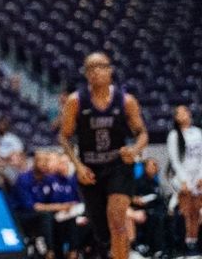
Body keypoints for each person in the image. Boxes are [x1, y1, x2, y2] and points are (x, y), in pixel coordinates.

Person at [58, 51, 149, 259]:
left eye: (101, 66)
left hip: (118, 166)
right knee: (103, 232)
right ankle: (119, 252)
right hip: (90, 170)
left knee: (117, 220)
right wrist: (78, 166)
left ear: (110, 70)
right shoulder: (75, 101)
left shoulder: (126, 101)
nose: (96, 71)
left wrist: (134, 150)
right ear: (86, 74)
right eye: (91, 68)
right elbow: (64, 137)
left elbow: (142, 133)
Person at [13, 150, 78, 259]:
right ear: (35, 162)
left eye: (47, 161)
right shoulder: (24, 179)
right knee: (46, 215)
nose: (44, 163)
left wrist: (63, 207)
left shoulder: (48, 179)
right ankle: (49, 252)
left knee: (68, 217)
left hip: (43, 214)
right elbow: (33, 206)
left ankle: (71, 252)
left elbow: (54, 200)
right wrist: (60, 207)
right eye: (41, 160)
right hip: (22, 216)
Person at [166, 104, 202, 256]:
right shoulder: (173, 135)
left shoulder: (198, 132)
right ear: (176, 117)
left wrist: (201, 176)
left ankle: (194, 241)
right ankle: (182, 243)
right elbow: (175, 161)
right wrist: (184, 181)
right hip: (182, 178)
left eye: (185, 111)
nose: (184, 114)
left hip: (198, 177)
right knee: (185, 211)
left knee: (197, 211)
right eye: (179, 112)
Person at [128, 158, 168, 258]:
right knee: (154, 217)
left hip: (156, 209)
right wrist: (136, 200)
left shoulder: (156, 183)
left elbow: (160, 199)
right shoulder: (137, 182)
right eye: (153, 165)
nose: (155, 167)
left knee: (167, 216)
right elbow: (130, 198)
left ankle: (166, 248)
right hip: (140, 210)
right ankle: (152, 248)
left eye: (156, 165)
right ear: (146, 168)